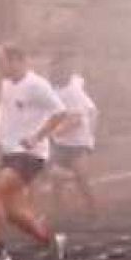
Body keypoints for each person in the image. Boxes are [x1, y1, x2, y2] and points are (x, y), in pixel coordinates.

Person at [0, 44, 71, 260]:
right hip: (10, 152)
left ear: (16, 61)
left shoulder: (37, 85)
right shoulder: (6, 84)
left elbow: (60, 113)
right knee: (12, 212)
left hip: (29, 154)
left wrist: (37, 136)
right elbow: (10, 113)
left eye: (1, 62)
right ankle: (51, 241)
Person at [48, 52, 99, 221]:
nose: (54, 72)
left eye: (59, 68)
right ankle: (62, 214)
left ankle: (93, 211)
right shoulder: (53, 88)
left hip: (78, 142)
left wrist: (54, 131)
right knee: (55, 181)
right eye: (54, 68)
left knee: (82, 178)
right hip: (61, 143)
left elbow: (75, 120)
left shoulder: (73, 91)